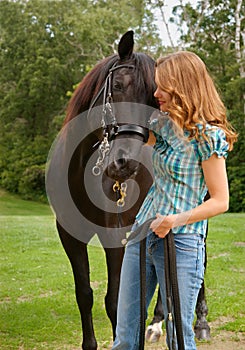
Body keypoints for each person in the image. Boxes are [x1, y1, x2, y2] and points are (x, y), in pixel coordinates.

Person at [111, 51, 237, 350]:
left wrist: (175, 220)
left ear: (183, 86)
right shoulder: (165, 126)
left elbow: (220, 201)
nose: (156, 94)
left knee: (178, 336)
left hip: (181, 242)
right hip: (143, 233)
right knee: (126, 332)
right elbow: (132, 121)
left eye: (162, 87)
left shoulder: (209, 138)